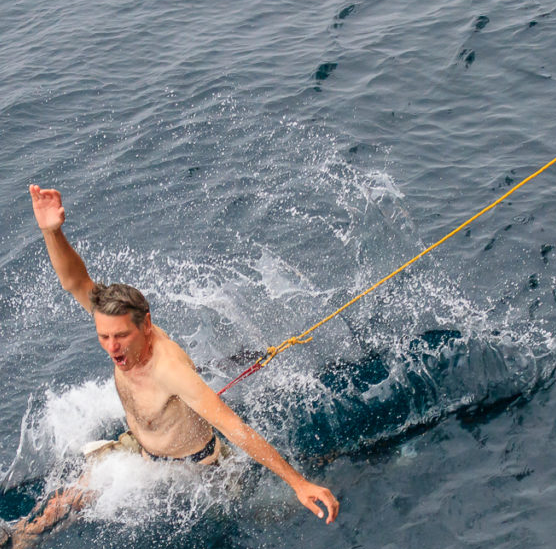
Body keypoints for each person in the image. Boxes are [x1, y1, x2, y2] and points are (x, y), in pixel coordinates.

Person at [21, 183, 339, 520]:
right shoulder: (116, 327)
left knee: (270, 513)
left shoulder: (168, 368)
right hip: (140, 452)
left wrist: (298, 483)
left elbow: (233, 426)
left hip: (198, 473)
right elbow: (76, 282)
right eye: (104, 336)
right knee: (51, 513)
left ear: (146, 325)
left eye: (121, 336)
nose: (112, 347)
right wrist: (51, 233)